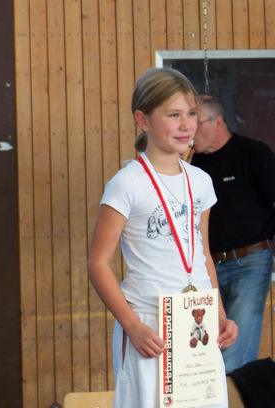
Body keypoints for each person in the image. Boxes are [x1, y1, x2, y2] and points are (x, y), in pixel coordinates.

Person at [88, 67, 238, 408]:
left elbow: (201, 254)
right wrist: (132, 326)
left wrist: (219, 314)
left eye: (191, 114)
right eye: (173, 115)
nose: (186, 125)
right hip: (150, 325)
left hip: (197, 319)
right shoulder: (127, 183)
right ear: (143, 120)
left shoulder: (200, 181)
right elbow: (98, 263)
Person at [188, 94, 275, 373]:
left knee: (234, 350)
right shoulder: (191, 165)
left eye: (196, 123)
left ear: (217, 122)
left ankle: (234, 394)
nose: (190, 131)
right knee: (204, 349)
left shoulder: (253, 153)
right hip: (205, 266)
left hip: (249, 261)